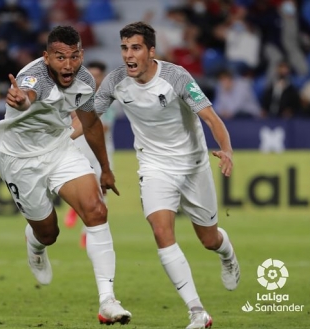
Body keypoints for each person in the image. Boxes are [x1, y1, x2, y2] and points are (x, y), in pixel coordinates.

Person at [94, 21, 240, 329]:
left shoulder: (176, 77)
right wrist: (58, 136)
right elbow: (86, 119)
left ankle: (227, 255)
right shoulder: (115, 81)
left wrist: (226, 149)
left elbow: (211, 118)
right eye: (124, 48)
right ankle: (197, 311)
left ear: (150, 51)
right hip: (153, 165)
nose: (128, 55)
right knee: (162, 233)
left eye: (135, 48)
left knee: (209, 239)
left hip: (192, 165)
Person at [0, 26, 131, 325]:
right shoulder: (34, 77)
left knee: (96, 210)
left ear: (81, 55)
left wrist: (105, 169)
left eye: (74, 56)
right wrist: (22, 101)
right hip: (20, 159)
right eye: (60, 57)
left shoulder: (84, 79)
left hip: (58, 148)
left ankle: (108, 300)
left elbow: (91, 125)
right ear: (46, 57)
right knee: (48, 233)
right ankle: (36, 244)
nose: (68, 65)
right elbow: (27, 94)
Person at [64, 60, 117, 249]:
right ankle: (74, 208)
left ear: (103, 77)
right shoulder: (76, 94)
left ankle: (88, 233)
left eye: (97, 75)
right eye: (91, 75)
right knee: (79, 183)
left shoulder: (109, 97)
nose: (94, 79)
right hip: (79, 145)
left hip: (102, 147)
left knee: (103, 189)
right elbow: (71, 118)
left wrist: (85, 121)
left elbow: (103, 127)